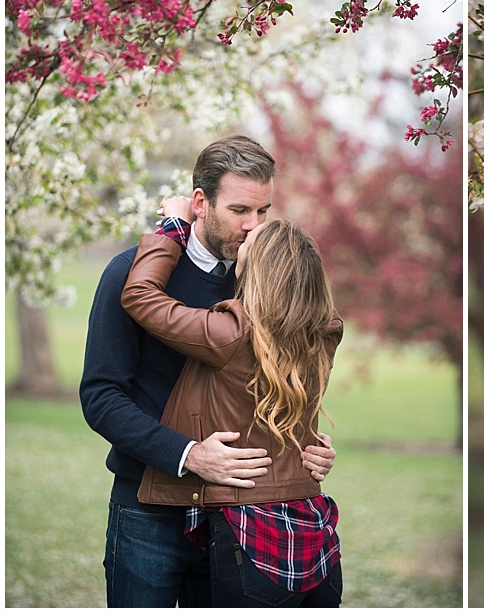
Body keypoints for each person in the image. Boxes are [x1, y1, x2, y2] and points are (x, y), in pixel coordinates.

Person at [79, 136, 337, 606]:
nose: (253, 226)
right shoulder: (130, 272)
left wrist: (306, 443)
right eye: (240, 210)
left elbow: (284, 376)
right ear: (200, 203)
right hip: (147, 509)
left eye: (263, 211)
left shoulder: (272, 281)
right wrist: (186, 454)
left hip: (240, 517)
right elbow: (101, 397)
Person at [123, 209, 344, 606]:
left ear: (260, 272)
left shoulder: (231, 335)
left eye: (252, 244)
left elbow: (140, 296)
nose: (248, 232)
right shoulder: (325, 334)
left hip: (249, 528)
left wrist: (172, 229)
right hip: (310, 525)